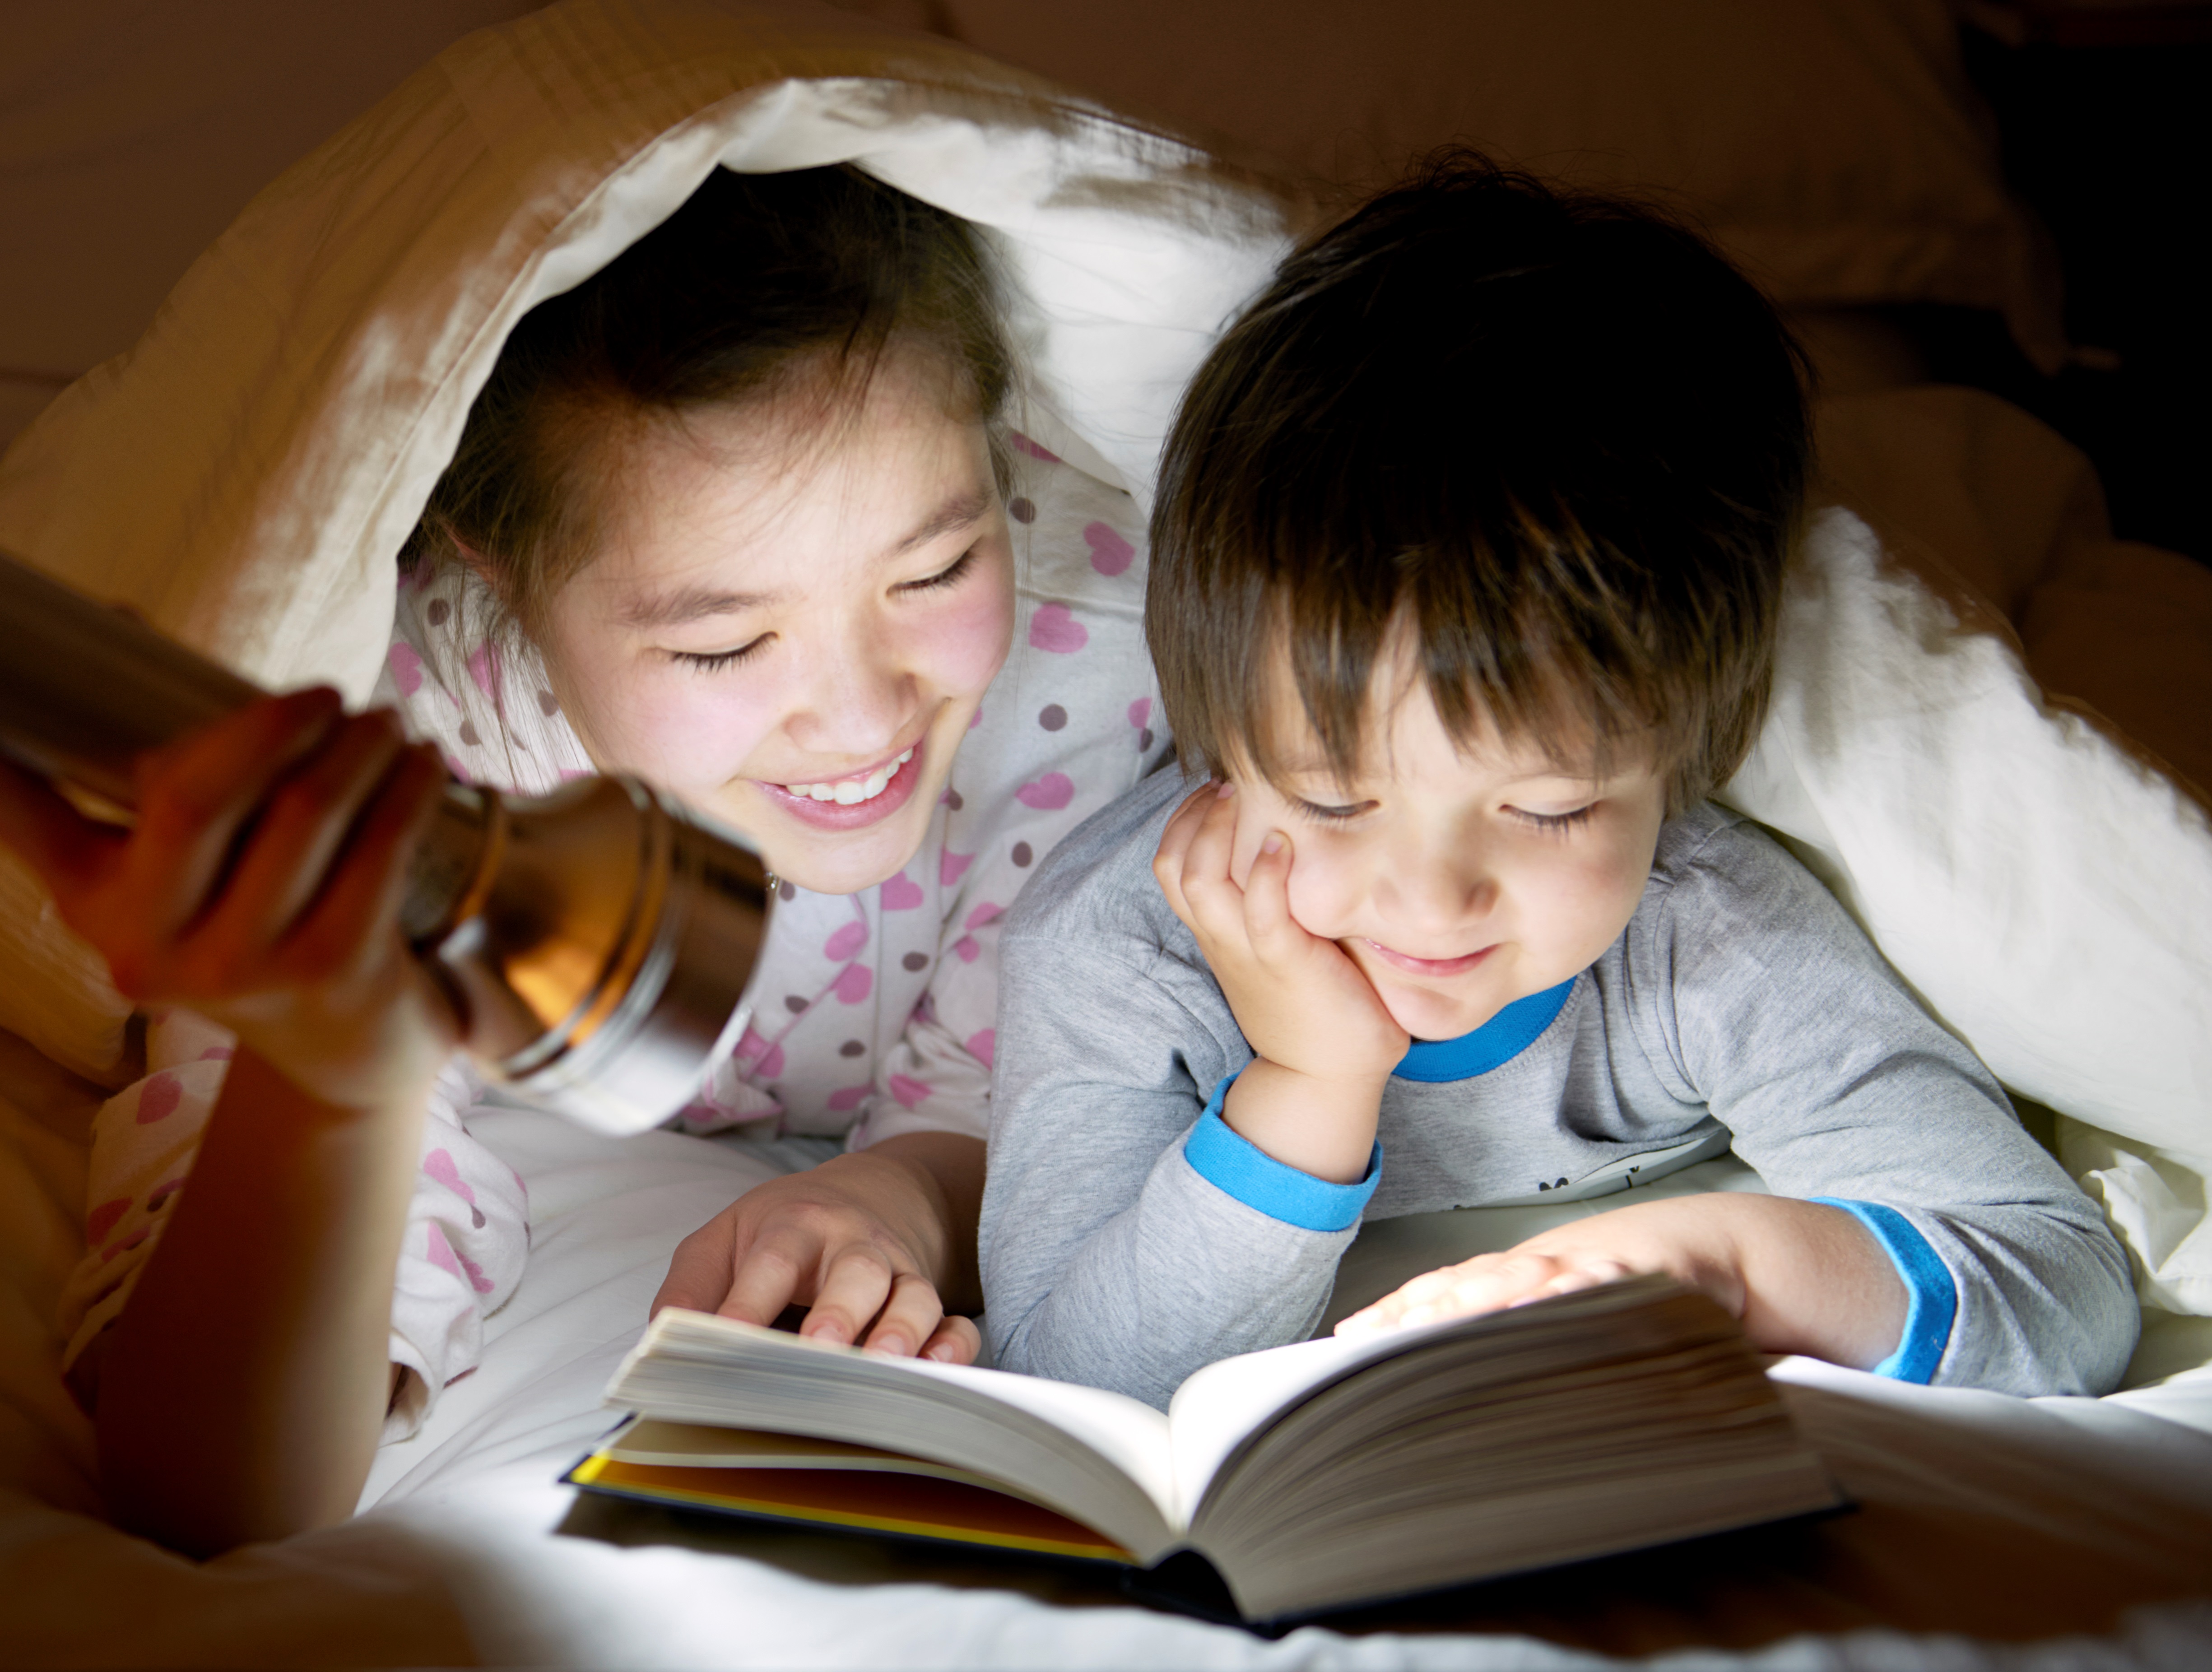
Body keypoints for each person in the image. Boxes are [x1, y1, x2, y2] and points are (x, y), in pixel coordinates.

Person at [0, 164, 1163, 1553]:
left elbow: (1018, 1077)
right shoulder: (380, 750)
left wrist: (896, 1193)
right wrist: (338, 1068)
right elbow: (213, 1488)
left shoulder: (1093, 647)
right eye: (723, 645)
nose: (862, 716)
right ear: (498, 571)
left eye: (932, 570)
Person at [978, 153, 2138, 1410]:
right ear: (1215, 742)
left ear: (1679, 757)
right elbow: (1060, 1376)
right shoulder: (1121, 955)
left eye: (1547, 810)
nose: (1429, 905)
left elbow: (2060, 1284)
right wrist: (1309, 1083)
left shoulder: (1703, 941)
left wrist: (1729, 1267)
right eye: (1330, 798)